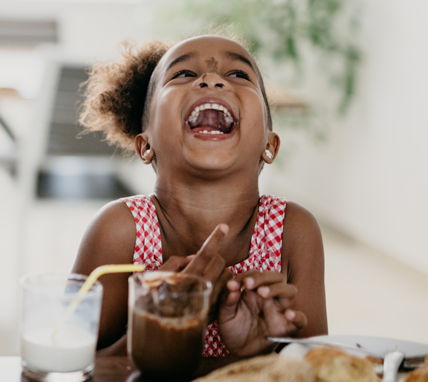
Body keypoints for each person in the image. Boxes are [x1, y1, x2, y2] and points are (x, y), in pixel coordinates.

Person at [72, 35, 327, 357]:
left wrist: (258, 352)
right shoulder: (119, 230)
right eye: (183, 74)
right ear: (145, 144)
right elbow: (68, 372)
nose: (211, 79)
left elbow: (318, 374)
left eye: (238, 74)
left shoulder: (295, 231)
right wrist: (158, 326)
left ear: (269, 144)